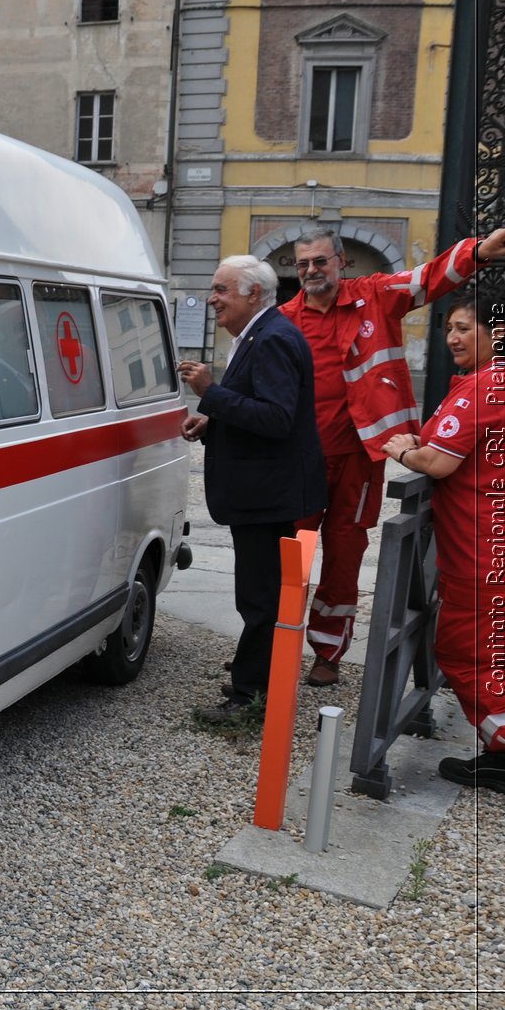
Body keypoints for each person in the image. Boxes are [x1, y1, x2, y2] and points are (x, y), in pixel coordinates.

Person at [280, 225, 505, 687]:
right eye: (303, 263)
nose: (311, 270)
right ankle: (275, 644)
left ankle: (327, 650)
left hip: (361, 457)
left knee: (345, 557)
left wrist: (479, 252)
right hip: (302, 460)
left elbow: (429, 278)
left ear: (341, 262)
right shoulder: (285, 318)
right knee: (292, 553)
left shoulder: (375, 295)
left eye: (320, 261)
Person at [180, 256, 327, 721]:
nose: (212, 299)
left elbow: (277, 418)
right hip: (263, 495)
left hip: (268, 497)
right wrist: (214, 421)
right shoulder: (262, 334)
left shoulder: (272, 339)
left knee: (260, 599)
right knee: (258, 595)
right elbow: (260, 408)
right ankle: (254, 675)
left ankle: (250, 698)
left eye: (222, 290)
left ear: (254, 294)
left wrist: (211, 392)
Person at [382, 291, 505, 794]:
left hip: (481, 555)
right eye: (449, 329)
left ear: (494, 334)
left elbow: (437, 461)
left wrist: (401, 451)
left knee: (464, 653)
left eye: (464, 327)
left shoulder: (480, 389)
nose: (453, 338)